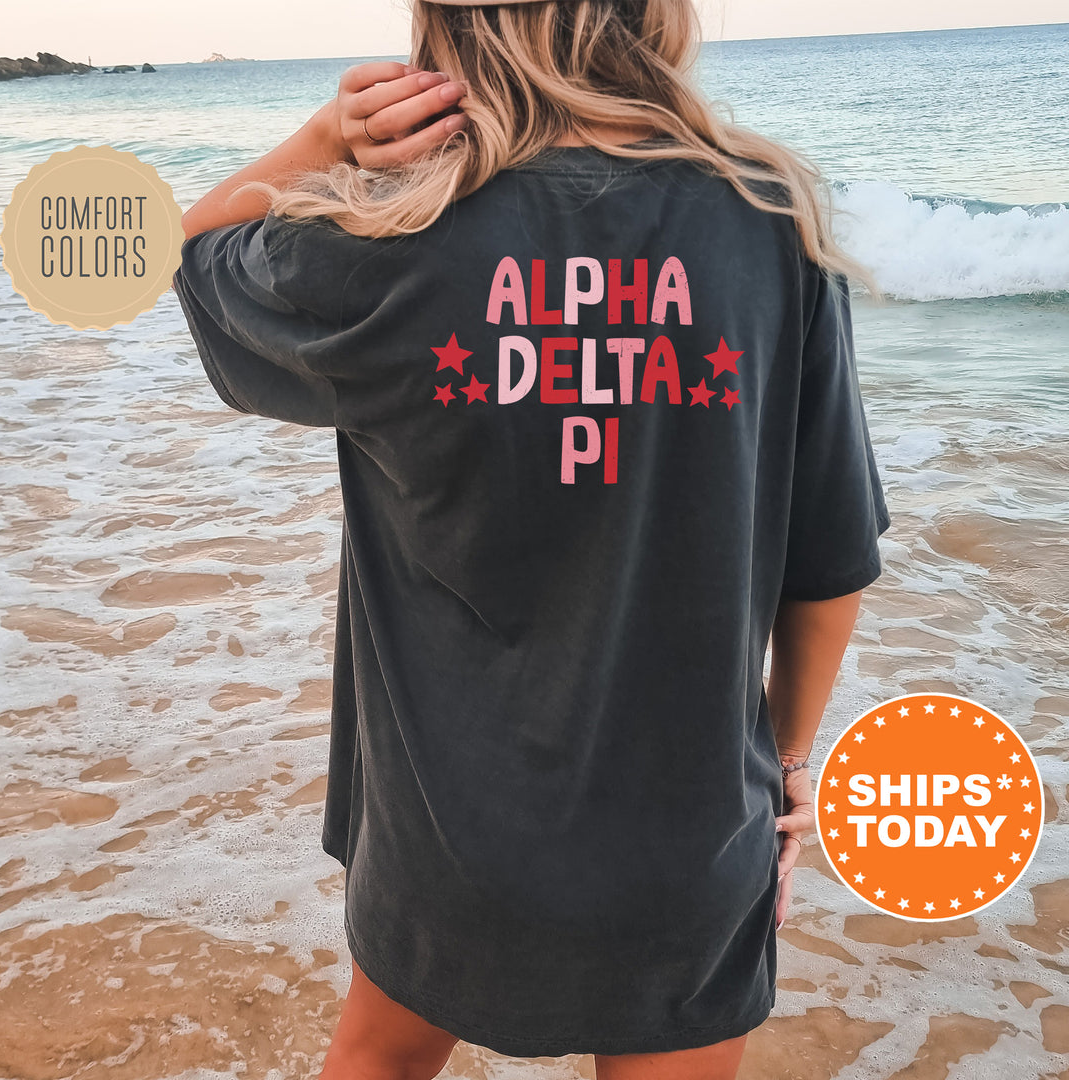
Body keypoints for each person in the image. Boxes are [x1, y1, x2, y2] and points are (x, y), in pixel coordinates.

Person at [171, 0, 892, 1077]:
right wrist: (790, 764)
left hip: (444, 834)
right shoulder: (768, 220)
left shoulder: (383, 238)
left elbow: (190, 253)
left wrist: (327, 142)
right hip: (686, 833)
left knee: (376, 1058)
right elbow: (830, 559)